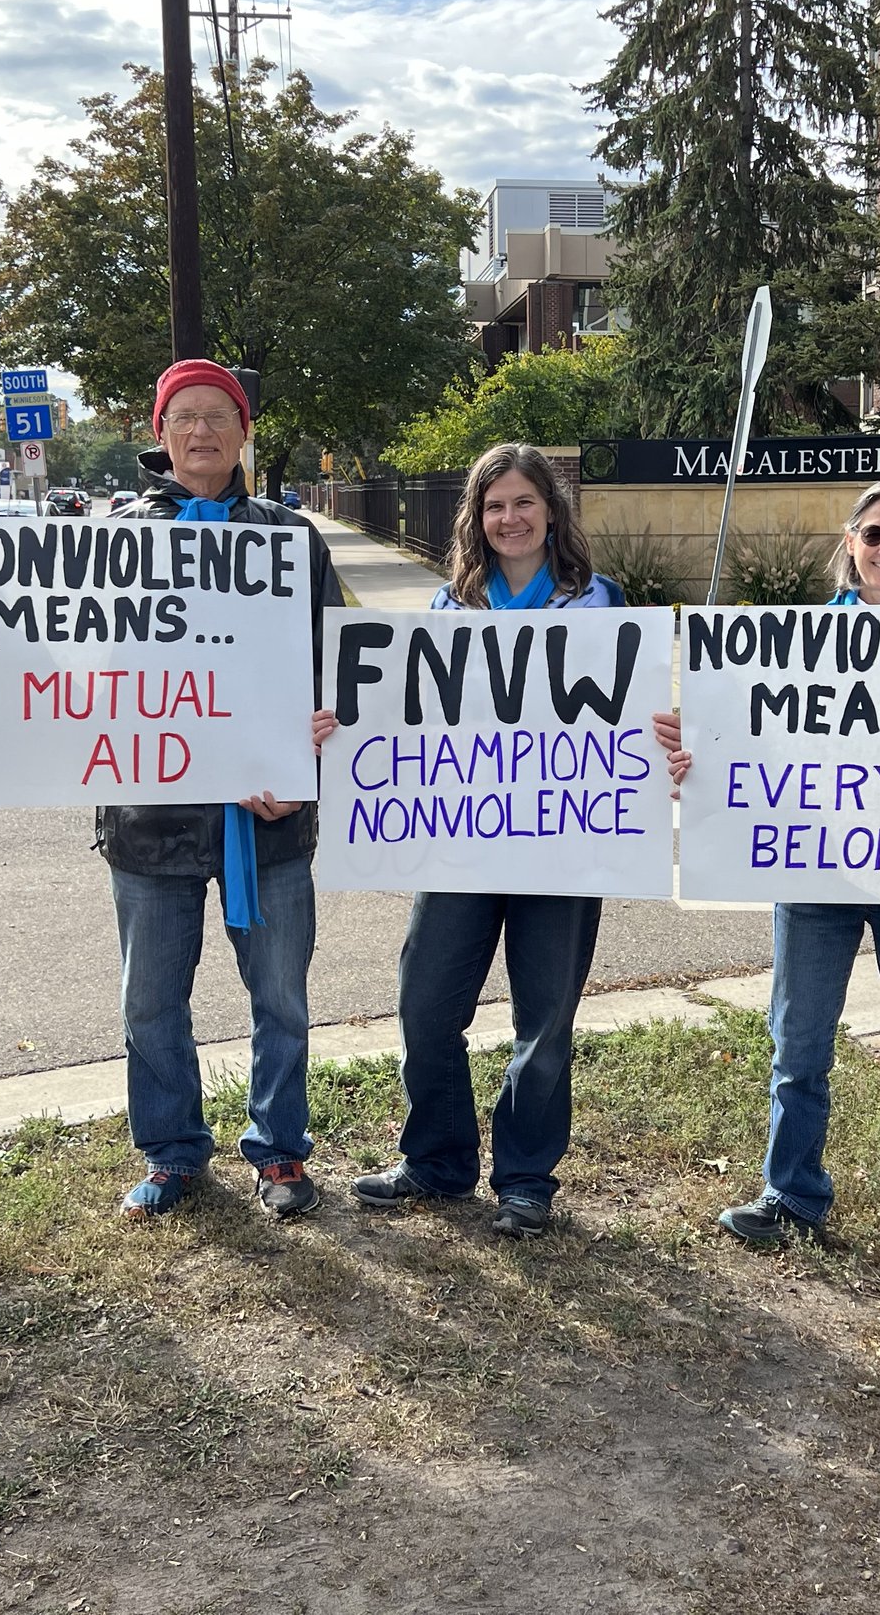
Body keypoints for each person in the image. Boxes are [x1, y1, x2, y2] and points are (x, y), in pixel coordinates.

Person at [652, 478, 880, 1319]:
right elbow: (749, 745)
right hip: (815, 875)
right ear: (849, 543)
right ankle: (793, 1195)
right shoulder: (795, 644)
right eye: (874, 534)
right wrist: (694, 757)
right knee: (796, 1047)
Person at [348, 443, 624, 1239]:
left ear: (551, 512)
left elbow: (624, 722)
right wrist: (347, 725)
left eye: (524, 502)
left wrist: (662, 737)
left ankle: (527, 1178)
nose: (510, 518)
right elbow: (410, 721)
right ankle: (436, 1160)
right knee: (426, 1003)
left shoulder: (598, 604)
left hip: (561, 849)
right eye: (494, 505)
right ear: (477, 517)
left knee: (544, 1019)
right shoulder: (447, 609)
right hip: (460, 844)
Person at [99, 358, 343, 1222]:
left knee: (280, 996)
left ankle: (280, 1152)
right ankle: (172, 1153)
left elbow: (333, 666)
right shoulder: (114, 535)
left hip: (270, 820)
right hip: (149, 819)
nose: (201, 432)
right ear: (160, 435)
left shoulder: (291, 537)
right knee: (150, 998)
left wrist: (302, 758)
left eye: (218, 416)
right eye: (184, 417)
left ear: (244, 433)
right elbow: (74, 666)